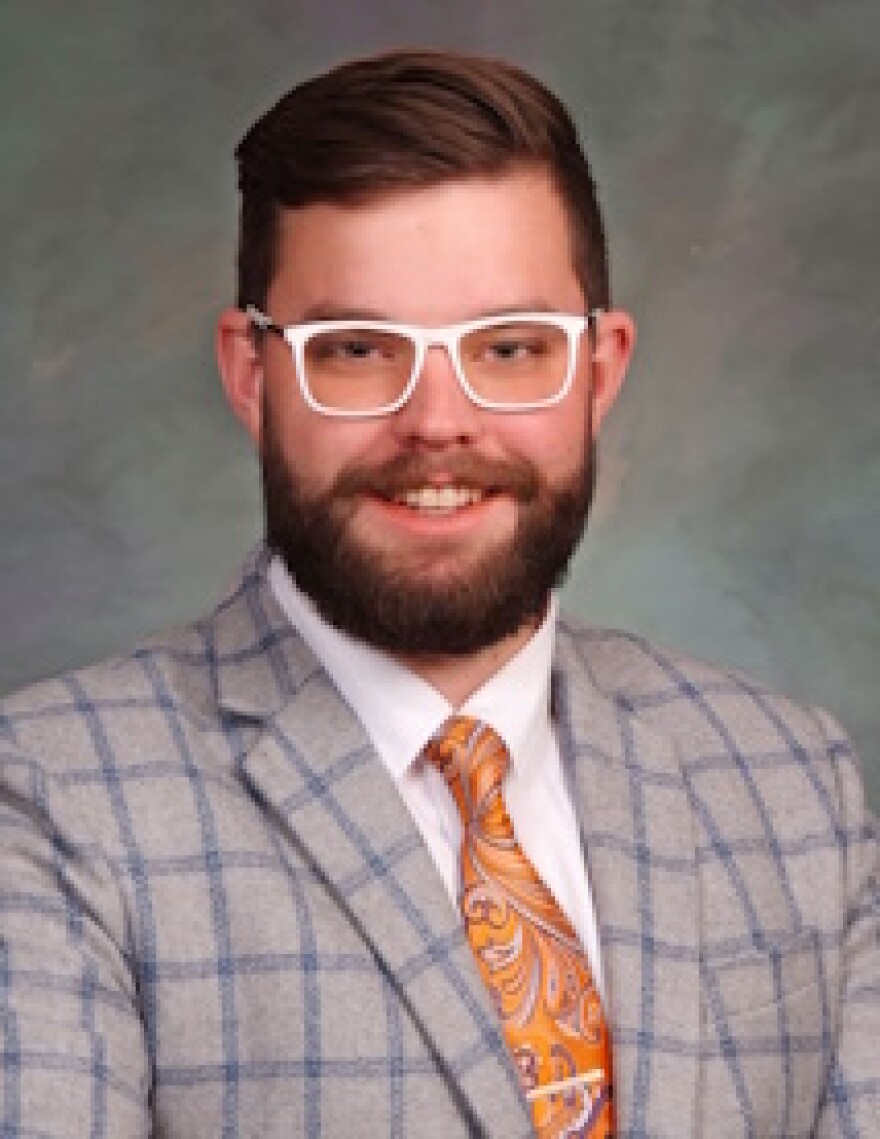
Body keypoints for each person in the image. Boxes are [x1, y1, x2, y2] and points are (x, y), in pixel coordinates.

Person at [0, 49, 876, 1139]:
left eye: (509, 347)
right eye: (357, 348)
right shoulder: (46, 802)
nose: (438, 421)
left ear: (600, 370)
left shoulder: (791, 781)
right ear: (249, 373)